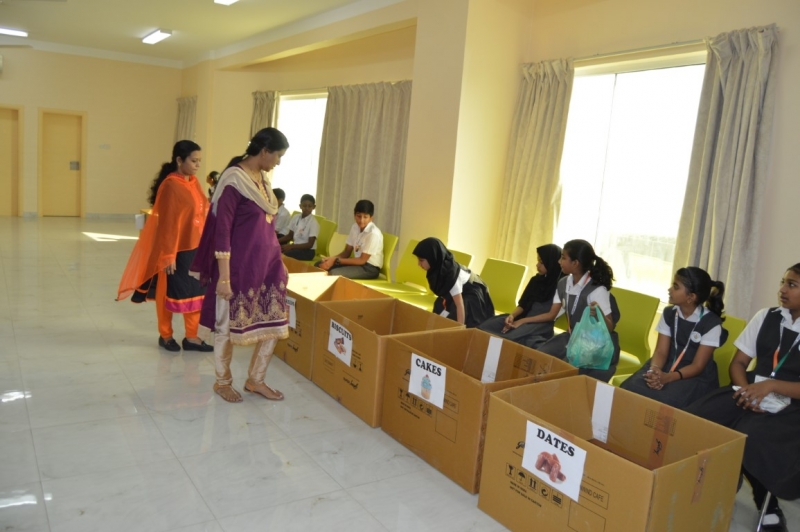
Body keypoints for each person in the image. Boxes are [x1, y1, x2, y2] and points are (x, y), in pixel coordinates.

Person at [686, 264, 800, 532]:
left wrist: (772, 386)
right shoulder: (766, 316)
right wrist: (746, 392)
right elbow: (738, 363)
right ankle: (716, 483)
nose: (782, 290)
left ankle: (766, 503)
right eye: (783, 282)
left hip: (792, 403)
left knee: (751, 437)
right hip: (748, 389)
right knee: (699, 418)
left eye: (792, 285)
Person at [189, 127, 290, 403]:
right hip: (237, 268)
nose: (278, 162)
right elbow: (222, 231)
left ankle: (256, 380)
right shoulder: (234, 181)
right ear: (264, 151)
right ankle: (222, 382)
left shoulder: (263, 181)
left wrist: (279, 262)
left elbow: (268, 229)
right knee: (226, 326)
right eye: (278, 155)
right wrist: (224, 278)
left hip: (268, 266)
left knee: (274, 322)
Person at [117, 140, 213, 353]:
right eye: (194, 161)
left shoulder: (194, 182)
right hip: (174, 249)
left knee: (196, 292)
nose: (198, 165)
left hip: (195, 247)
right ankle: (166, 335)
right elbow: (168, 224)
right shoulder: (171, 185)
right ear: (179, 160)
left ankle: (192, 337)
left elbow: (202, 210)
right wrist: (168, 254)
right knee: (167, 292)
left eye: (199, 161)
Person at [621, 267, 726, 408]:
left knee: (666, 401)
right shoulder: (669, 313)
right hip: (665, 365)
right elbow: (661, 352)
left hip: (693, 376)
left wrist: (668, 377)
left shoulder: (711, 324)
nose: (669, 289)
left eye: (676, 287)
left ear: (691, 297)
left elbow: (698, 366)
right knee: (630, 388)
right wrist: (654, 371)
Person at [537, 239, 620, 381]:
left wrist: (599, 314)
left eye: (563, 258)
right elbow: (553, 313)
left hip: (594, 344)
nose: (559, 261)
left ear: (575, 263)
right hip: (572, 337)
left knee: (563, 369)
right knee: (540, 356)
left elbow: (609, 328)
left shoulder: (597, 289)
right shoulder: (564, 283)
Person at [478, 244, 562, 348]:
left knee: (508, 339)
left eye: (541, 262)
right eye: (537, 261)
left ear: (551, 263)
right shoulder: (535, 280)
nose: (537, 265)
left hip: (540, 325)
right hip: (522, 317)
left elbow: (550, 316)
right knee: (485, 327)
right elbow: (523, 305)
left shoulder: (560, 286)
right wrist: (512, 316)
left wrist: (522, 321)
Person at [412, 237, 495, 328]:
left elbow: (459, 306)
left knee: (459, 313)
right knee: (439, 305)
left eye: (421, 260)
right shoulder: (438, 269)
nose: (419, 264)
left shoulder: (451, 276)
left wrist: (459, 329)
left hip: (472, 292)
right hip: (459, 291)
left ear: (433, 258)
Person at [317, 199, 383, 279]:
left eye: (365, 217)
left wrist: (335, 260)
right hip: (357, 263)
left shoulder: (373, 234)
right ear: (354, 215)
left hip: (369, 268)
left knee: (333, 273)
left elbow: (362, 260)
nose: (361, 220)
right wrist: (330, 259)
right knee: (319, 264)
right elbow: (346, 252)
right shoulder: (355, 227)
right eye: (359, 216)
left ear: (371, 218)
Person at [278, 194, 320, 261]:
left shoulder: (313, 223)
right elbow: (290, 236)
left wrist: (291, 246)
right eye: (304, 206)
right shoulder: (296, 217)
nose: (307, 208)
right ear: (300, 206)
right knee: (276, 250)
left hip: (308, 251)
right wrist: (275, 241)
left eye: (309, 206)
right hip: (296, 247)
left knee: (284, 255)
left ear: (314, 207)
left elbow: (310, 244)